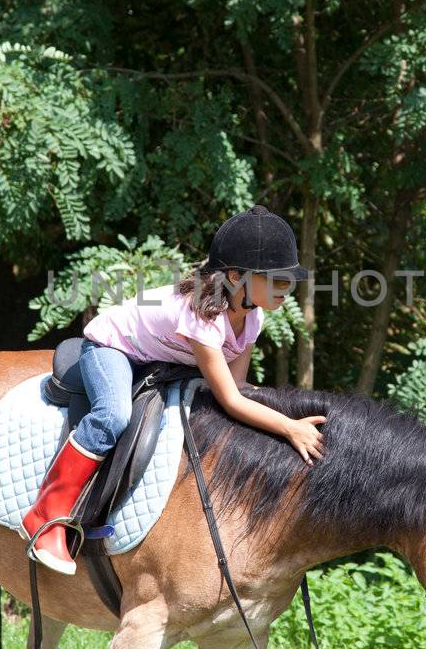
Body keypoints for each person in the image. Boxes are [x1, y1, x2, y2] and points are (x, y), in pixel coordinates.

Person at [22, 205, 326, 574]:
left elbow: (240, 386)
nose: (287, 288)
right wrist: (289, 427)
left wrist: (283, 417)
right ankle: (45, 515)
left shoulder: (252, 315)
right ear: (234, 276)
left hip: (160, 360)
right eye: (277, 279)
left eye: (289, 279)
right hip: (111, 349)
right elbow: (229, 400)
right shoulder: (203, 316)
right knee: (112, 416)